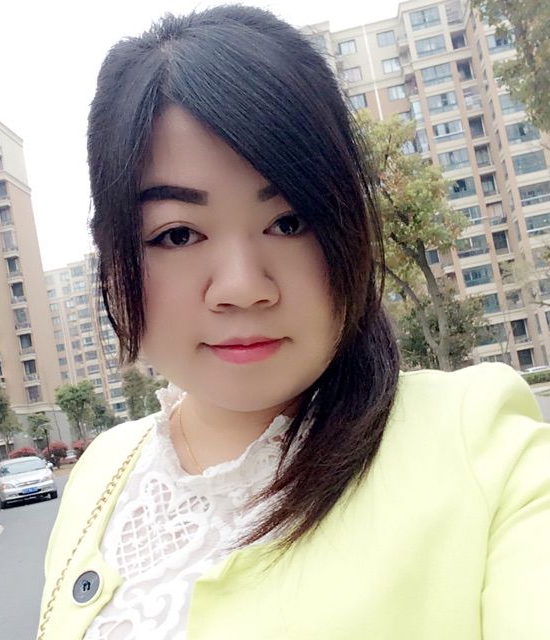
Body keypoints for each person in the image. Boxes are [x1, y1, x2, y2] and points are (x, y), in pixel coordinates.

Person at [38, 6, 550, 639]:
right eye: (177, 234)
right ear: (111, 250)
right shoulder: (102, 471)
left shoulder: (480, 446)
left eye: (289, 222)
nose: (243, 287)